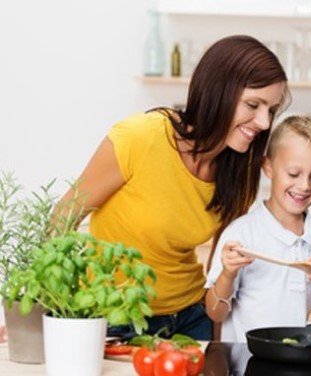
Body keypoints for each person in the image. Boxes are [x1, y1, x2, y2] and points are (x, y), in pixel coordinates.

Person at [53, 35, 289, 340]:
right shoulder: (141, 137)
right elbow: (62, 218)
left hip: (191, 317)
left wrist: (215, 339)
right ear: (218, 92)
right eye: (253, 105)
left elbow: (219, 270)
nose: (264, 122)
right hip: (115, 318)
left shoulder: (238, 171)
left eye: (271, 109)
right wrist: (46, 311)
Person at [204, 115, 311, 343]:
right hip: (248, 363)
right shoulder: (242, 234)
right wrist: (228, 273)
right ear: (268, 167)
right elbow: (215, 313)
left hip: (300, 362)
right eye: (294, 174)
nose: (304, 186)